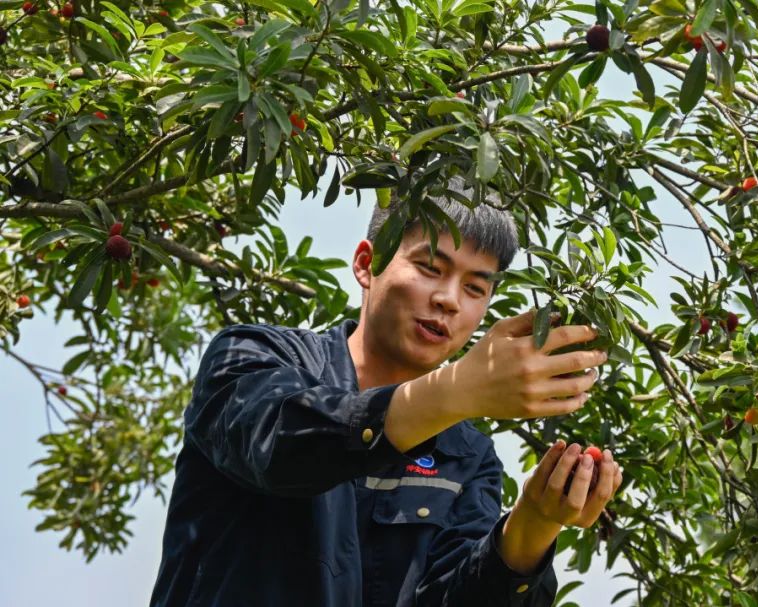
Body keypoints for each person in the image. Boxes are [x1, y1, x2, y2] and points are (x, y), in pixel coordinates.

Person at [149, 176, 623, 606]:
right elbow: (277, 447)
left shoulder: (468, 456)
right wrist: (456, 390)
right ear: (366, 264)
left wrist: (536, 521)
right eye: (430, 267)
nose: (449, 300)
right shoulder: (251, 356)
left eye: (476, 288)